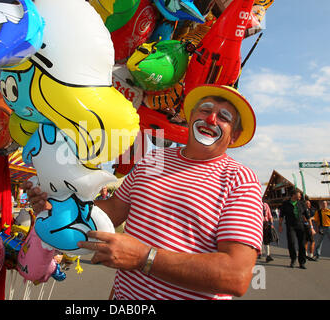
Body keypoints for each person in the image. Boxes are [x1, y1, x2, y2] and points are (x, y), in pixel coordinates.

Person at [23, 84, 263, 300]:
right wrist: (59, 207)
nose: (211, 118)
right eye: (205, 110)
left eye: (224, 117)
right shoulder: (154, 159)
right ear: (190, 118)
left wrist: (145, 258)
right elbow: (112, 212)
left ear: (235, 136)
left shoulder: (240, 179)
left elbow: (236, 275)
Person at [278, 191, 308, 269]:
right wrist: (280, 225)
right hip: (290, 226)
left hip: (300, 225)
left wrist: (311, 227)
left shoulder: (301, 203)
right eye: (299, 195)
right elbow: (281, 215)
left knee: (302, 244)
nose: (300, 196)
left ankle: (302, 262)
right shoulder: (285, 204)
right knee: (291, 243)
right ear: (293, 195)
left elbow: (306, 215)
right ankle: (293, 260)